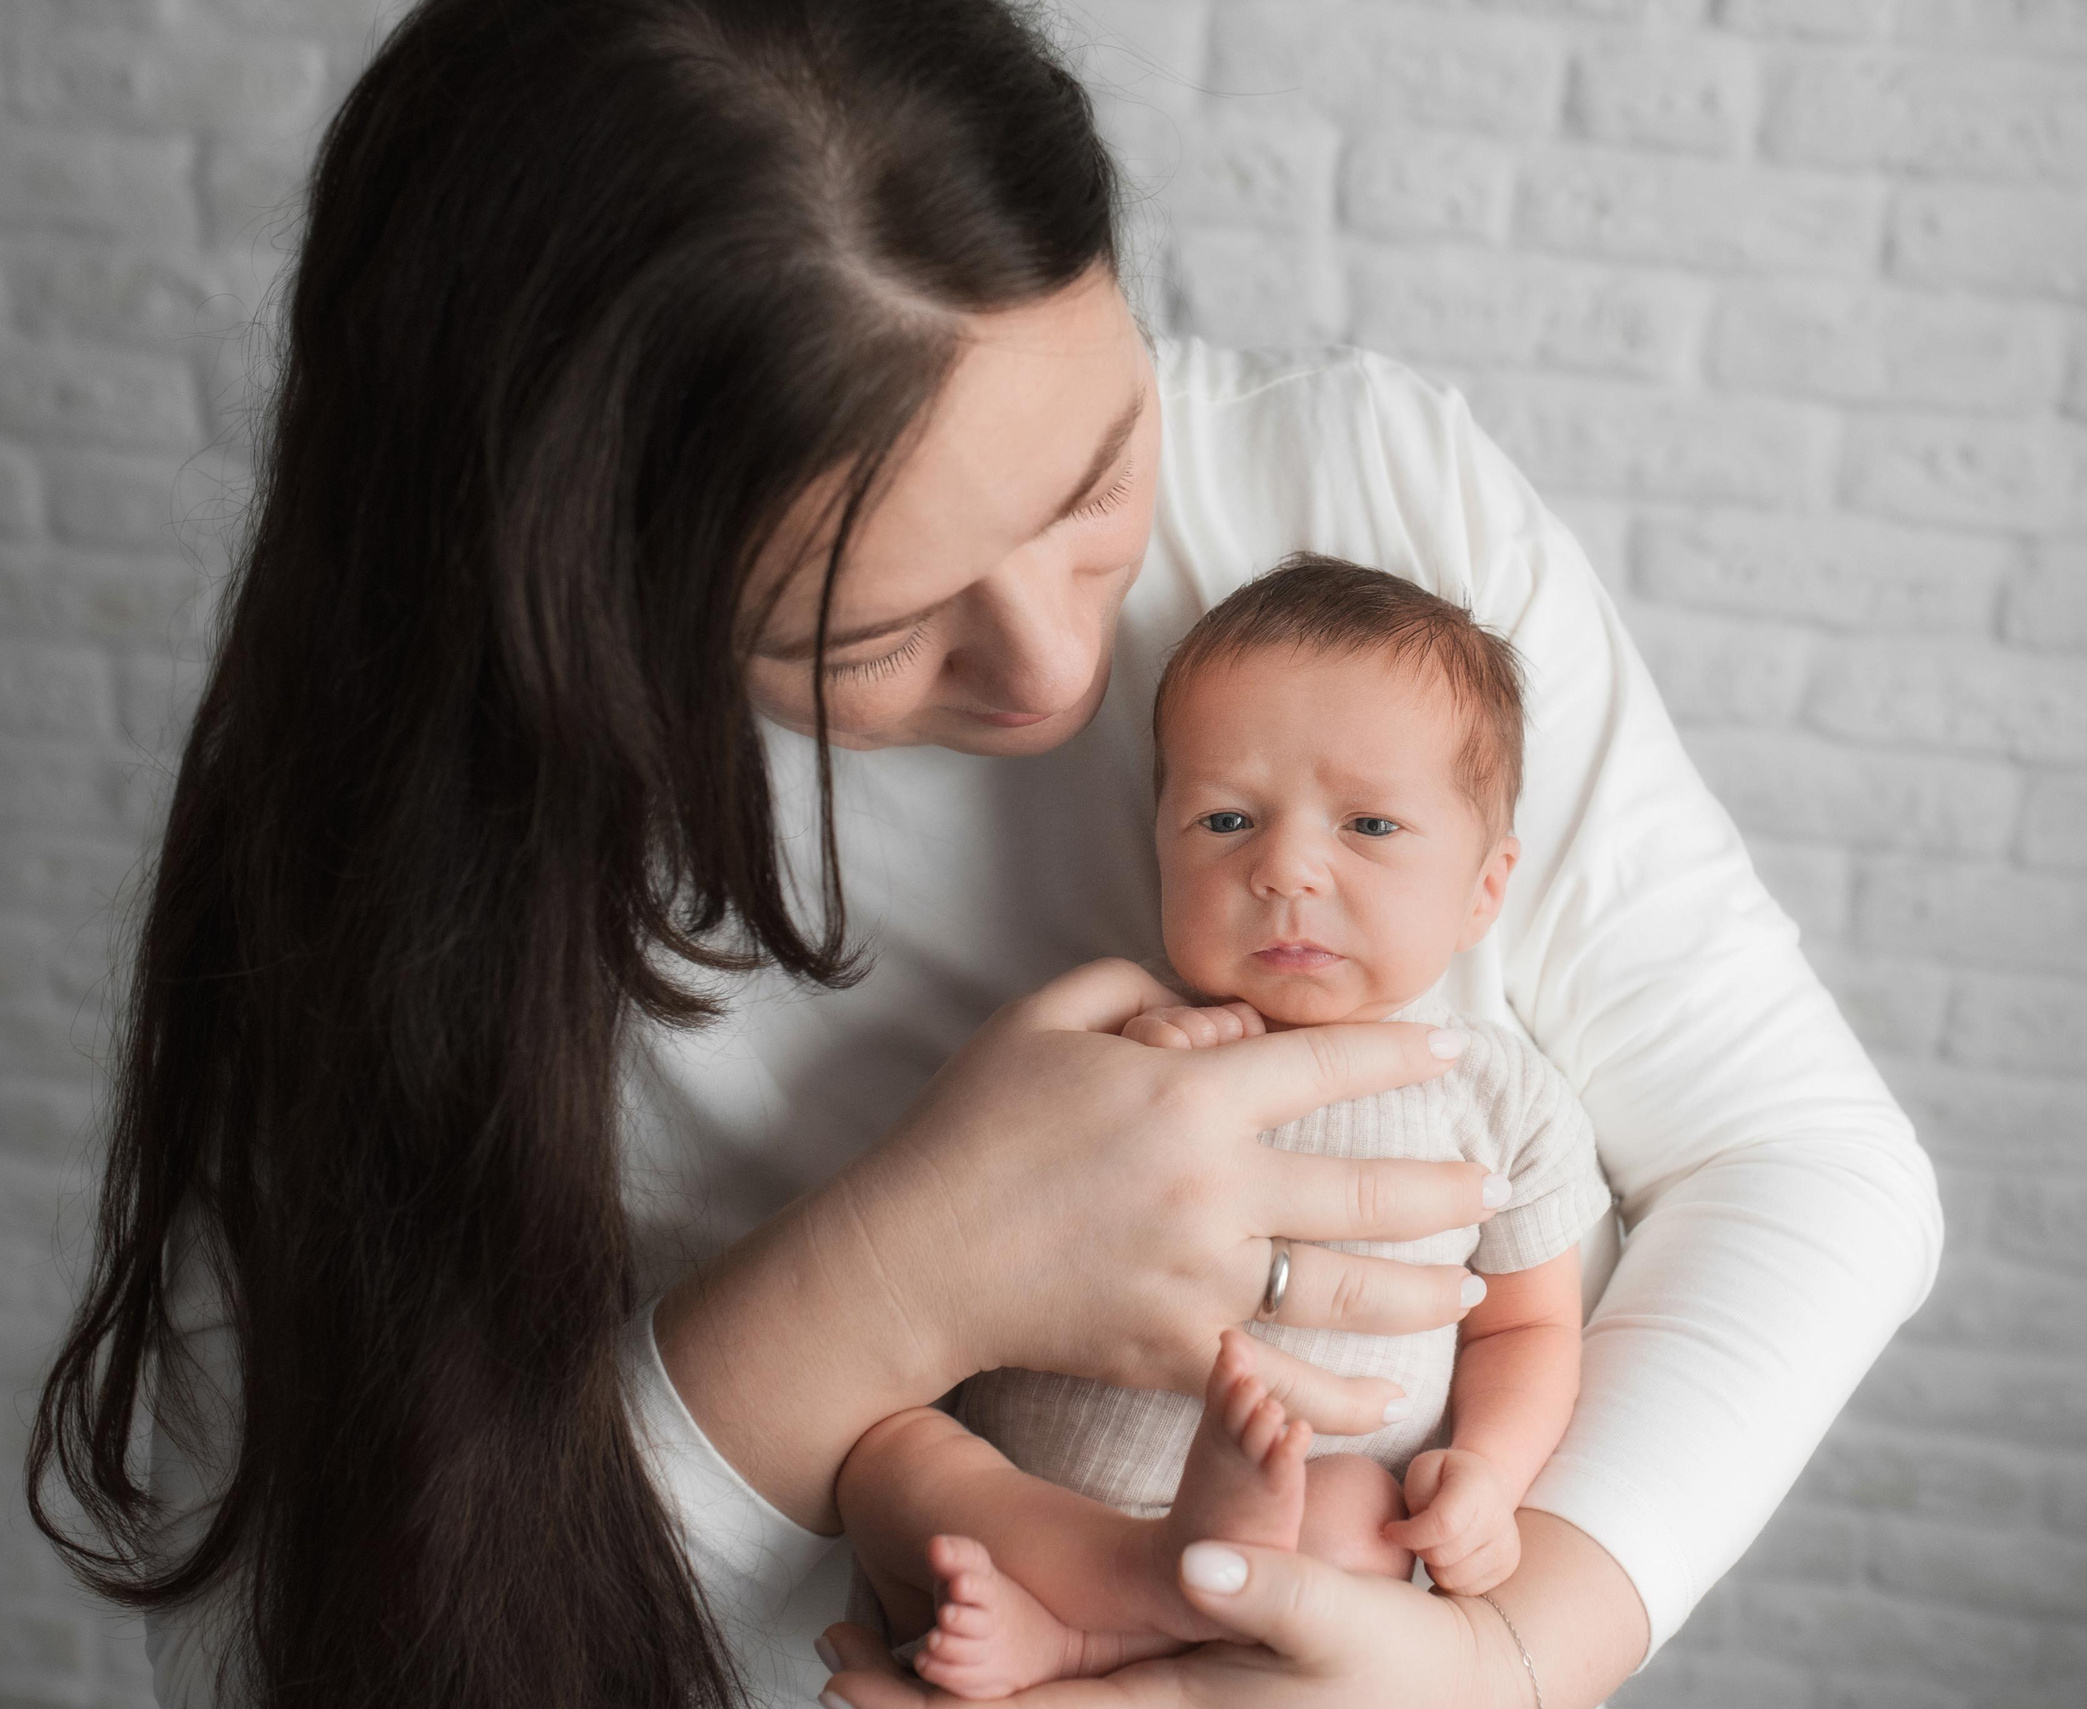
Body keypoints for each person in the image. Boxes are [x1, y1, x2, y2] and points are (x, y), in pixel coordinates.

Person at [20, 2, 1941, 1707]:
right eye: (869, 632)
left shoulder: (1353, 493)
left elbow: (1799, 1162)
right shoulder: (410, 889)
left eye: (1096, 477)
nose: (1056, 667)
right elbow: (308, 1653)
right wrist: (885, 1287)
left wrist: (1506, 1655)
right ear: (576, 595)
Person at [842, 558, 1614, 1698]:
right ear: (1159, 843)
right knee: (884, 1453)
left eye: (1370, 823)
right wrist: (1122, 1078)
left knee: (1362, 1518)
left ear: (1482, 890)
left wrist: (1486, 1474)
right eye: (1227, 818)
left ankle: (1095, 1650)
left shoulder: (1498, 1097)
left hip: (1294, 1520)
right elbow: (985, 1206)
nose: (1286, 868)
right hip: (1040, 1504)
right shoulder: (1111, 1032)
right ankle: (1092, 1617)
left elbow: (1530, 1327)